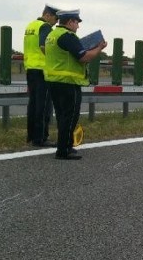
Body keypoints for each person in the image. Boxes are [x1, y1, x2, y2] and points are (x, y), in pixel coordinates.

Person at [44, 9, 107, 160]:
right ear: (70, 21)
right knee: (70, 116)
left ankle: (64, 145)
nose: (78, 26)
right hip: (68, 83)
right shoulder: (68, 36)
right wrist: (99, 48)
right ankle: (64, 150)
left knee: (61, 116)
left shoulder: (52, 35)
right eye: (77, 22)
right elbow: (83, 57)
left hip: (54, 81)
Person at [24, 4, 58, 147]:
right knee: (43, 105)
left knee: (33, 104)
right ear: (47, 15)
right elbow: (44, 46)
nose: (55, 23)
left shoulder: (30, 26)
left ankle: (31, 136)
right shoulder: (44, 27)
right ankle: (41, 138)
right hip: (42, 70)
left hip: (30, 68)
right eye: (55, 19)